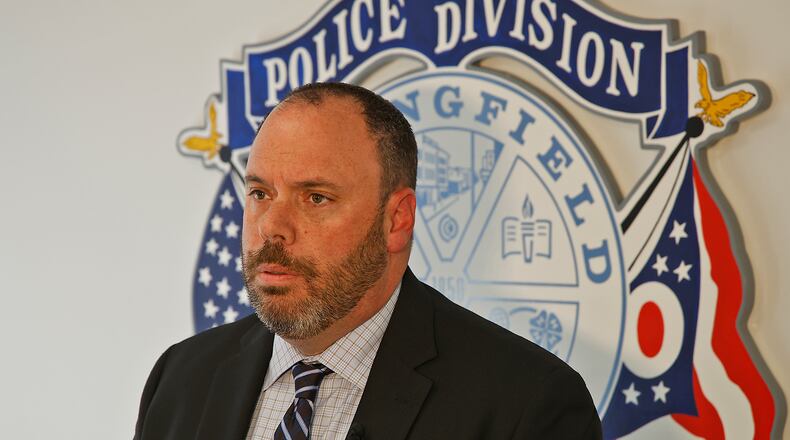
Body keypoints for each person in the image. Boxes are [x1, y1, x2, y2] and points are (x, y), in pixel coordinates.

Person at [134, 82, 602, 440]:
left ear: (397, 220)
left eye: (315, 197)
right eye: (260, 193)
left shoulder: (526, 404)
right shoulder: (180, 379)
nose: (271, 226)